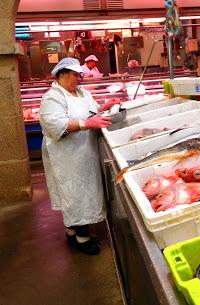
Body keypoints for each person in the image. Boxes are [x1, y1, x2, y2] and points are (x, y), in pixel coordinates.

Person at [39, 57, 121, 255]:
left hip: (83, 151)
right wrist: (86, 124)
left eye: (79, 75)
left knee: (81, 192)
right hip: (66, 154)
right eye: (75, 74)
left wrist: (104, 106)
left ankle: (71, 232)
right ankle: (81, 239)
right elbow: (55, 125)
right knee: (74, 194)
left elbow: (90, 111)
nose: (79, 78)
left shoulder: (81, 92)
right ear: (62, 74)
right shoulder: (52, 97)